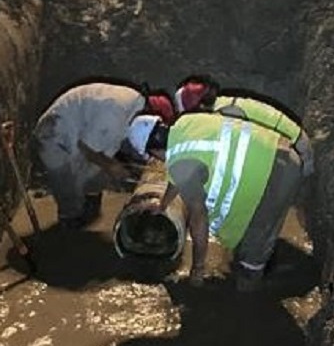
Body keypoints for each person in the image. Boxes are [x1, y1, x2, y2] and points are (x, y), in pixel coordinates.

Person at [126, 111, 303, 291]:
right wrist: (163, 205)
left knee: (249, 256)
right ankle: (271, 262)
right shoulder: (186, 123)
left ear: (153, 152)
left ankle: (253, 295)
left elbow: (199, 219)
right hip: (280, 150)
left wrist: (197, 269)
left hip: (276, 175)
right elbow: (180, 172)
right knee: (252, 238)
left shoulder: (181, 163)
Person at [34, 80, 175, 228]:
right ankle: (70, 218)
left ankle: (90, 201)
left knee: (95, 171)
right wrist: (110, 165)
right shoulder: (116, 112)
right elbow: (86, 147)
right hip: (56, 131)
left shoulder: (133, 108)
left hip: (82, 130)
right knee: (65, 181)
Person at [172, 75, 314, 178]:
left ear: (200, 107)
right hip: (296, 145)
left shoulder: (223, 115)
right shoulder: (223, 104)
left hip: (298, 152)